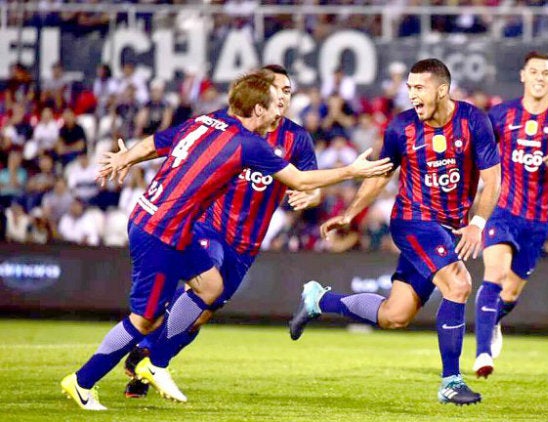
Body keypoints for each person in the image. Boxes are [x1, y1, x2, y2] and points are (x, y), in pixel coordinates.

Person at [60, 69, 392, 411]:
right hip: (177, 229)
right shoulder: (248, 142)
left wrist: (126, 156)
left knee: (209, 290)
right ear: (258, 105)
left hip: (195, 230)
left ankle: (154, 361)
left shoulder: (211, 122)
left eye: (287, 94)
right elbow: (299, 178)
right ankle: (87, 379)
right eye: (275, 95)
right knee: (145, 318)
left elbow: (159, 143)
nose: (281, 104)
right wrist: (352, 171)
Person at [288, 58, 501, 405]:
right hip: (413, 220)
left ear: (442, 89)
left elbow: (493, 179)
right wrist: (350, 214)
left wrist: (477, 223)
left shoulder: (473, 121)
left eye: (420, 88)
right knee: (458, 284)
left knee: (394, 315)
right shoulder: (401, 127)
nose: (413, 95)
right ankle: (451, 382)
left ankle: (318, 299)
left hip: (448, 228)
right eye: (410, 89)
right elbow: (380, 176)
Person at [120, 65, 322, 399]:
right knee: (204, 282)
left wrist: (310, 195)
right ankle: (146, 341)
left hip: (246, 244)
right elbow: (164, 142)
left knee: (200, 316)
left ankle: (149, 361)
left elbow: (310, 181)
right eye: (278, 89)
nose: (284, 97)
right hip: (207, 225)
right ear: (260, 95)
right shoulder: (223, 126)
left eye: (288, 91)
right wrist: (128, 158)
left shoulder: (297, 138)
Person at [473, 51, 548, 378]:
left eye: (546, 73)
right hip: (502, 211)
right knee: (494, 276)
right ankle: (482, 354)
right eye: (534, 71)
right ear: (524, 75)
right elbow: (477, 152)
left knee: (510, 293)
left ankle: (494, 320)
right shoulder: (500, 115)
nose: (540, 77)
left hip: (538, 221)